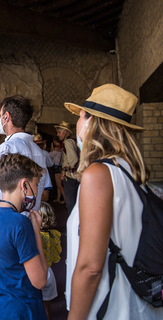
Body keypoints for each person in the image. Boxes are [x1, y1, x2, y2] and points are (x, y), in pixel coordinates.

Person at [64, 84, 163, 319]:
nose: (76, 125)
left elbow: (90, 267)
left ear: (91, 123)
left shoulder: (97, 175)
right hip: (135, 304)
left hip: (111, 307)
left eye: (80, 117)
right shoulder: (129, 171)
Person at [0, 153, 48, 320]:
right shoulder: (20, 224)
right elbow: (40, 280)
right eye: (36, 184)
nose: (36, 191)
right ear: (24, 185)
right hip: (22, 311)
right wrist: (36, 230)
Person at [0, 95, 51, 212]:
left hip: (10, 219)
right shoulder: (39, 151)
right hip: (30, 217)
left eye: (0, 115)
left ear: (6, 117)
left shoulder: (6, 148)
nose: (0, 120)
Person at [38, 202, 61, 320]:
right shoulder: (54, 235)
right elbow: (56, 257)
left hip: (36, 272)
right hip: (49, 273)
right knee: (47, 307)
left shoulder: (34, 236)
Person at [54, 120, 79, 213]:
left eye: (59, 132)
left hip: (70, 177)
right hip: (75, 177)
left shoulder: (68, 142)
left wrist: (64, 170)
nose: (57, 134)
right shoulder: (73, 141)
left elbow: (73, 160)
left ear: (66, 133)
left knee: (70, 203)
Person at [34, 134, 53, 202]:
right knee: (45, 196)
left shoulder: (30, 151)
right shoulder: (45, 153)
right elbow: (50, 164)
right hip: (44, 173)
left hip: (33, 174)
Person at [49, 137, 65, 204]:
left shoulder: (56, 148)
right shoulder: (61, 148)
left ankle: (65, 199)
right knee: (59, 184)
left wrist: (51, 148)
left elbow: (50, 156)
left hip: (56, 167)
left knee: (58, 184)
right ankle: (58, 198)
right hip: (60, 166)